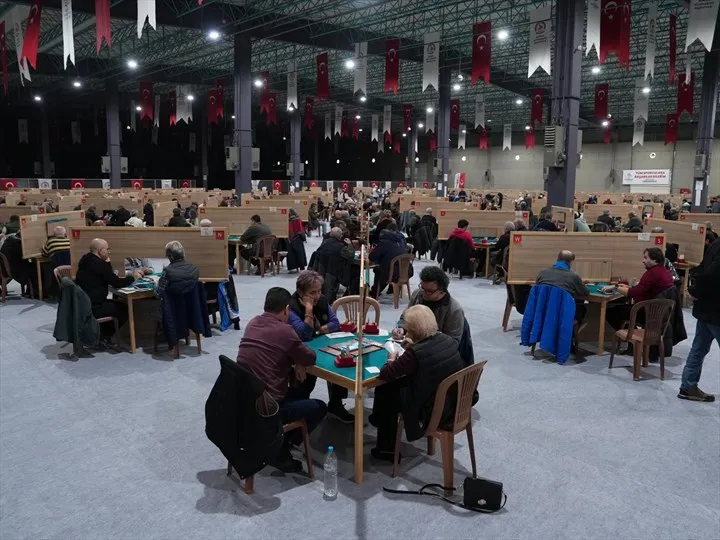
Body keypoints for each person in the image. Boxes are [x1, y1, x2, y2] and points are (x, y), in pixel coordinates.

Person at [236, 287, 327, 471]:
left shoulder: (253, 323)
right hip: (270, 407)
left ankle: (279, 439)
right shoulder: (285, 331)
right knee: (319, 406)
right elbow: (310, 357)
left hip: (245, 399)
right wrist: (298, 361)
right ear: (286, 310)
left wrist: (295, 361)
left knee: (299, 390)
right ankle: (280, 449)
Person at [370, 305, 465, 460]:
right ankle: (378, 422)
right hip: (454, 402)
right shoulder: (447, 340)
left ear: (413, 329)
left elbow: (386, 373)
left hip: (431, 409)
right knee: (391, 388)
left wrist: (391, 358)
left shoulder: (415, 353)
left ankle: (386, 448)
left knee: (386, 389)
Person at [286, 271, 353, 422]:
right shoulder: (291, 308)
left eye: (319, 291)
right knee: (305, 380)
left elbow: (335, 324)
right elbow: (304, 334)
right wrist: (309, 310)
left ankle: (335, 404)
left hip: (322, 345)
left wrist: (319, 329)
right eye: (312, 293)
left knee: (340, 362)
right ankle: (299, 411)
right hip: (298, 352)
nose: (317, 296)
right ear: (300, 293)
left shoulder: (322, 300)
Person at [74, 238, 142, 341]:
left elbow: (108, 276)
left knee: (117, 304)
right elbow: (116, 282)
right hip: (95, 306)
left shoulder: (86, 259)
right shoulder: (98, 264)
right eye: (107, 249)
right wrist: (133, 277)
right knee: (125, 309)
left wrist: (107, 262)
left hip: (84, 303)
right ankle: (104, 336)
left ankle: (100, 334)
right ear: (101, 251)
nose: (109, 252)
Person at [678, 237, 720, 402]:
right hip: (716, 311)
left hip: (705, 309)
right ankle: (688, 386)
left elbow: (701, 269)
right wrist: (696, 292)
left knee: (699, 348)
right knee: (699, 348)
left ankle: (688, 387)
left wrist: (695, 291)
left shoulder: (716, 243)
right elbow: (711, 275)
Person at [603, 247, 675, 330]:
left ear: (654, 260)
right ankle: (634, 333)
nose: (643, 261)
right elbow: (645, 289)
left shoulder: (651, 273)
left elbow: (634, 293)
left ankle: (632, 335)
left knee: (611, 313)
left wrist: (616, 287)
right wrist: (628, 287)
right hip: (661, 312)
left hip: (647, 311)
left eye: (646, 258)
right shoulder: (666, 272)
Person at [393, 266, 464, 344]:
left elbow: (453, 342)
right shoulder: (417, 294)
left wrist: (421, 346)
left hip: (436, 348)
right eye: (422, 287)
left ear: (442, 291)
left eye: (429, 291)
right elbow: (406, 316)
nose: (423, 293)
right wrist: (401, 328)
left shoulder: (454, 310)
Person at [535, 250, 589, 322]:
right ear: (570, 262)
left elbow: (538, 288)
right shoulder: (573, 276)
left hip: (541, 309)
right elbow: (585, 292)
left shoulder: (542, 272)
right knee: (581, 308)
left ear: (557, 259)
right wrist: (578, 283)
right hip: (561, 312)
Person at [313, 227, 354, 302]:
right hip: (333, 271)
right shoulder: (341, 247)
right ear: (340, 236)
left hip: (321, 268)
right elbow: (350, 255)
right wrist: (350, 244)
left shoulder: (324, 242)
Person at [369, 221, 408, 298]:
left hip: (390, 273)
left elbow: (372, 257)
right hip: (405, 271)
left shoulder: (384, 242)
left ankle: (375, 292)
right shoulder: (401, 240)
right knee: (388, 264)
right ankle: (391, 289)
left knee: (378, 269)